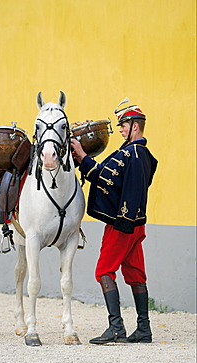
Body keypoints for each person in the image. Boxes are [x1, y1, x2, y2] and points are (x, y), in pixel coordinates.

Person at [71, 98, 158, 344]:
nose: (120, 129)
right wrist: (84, 161)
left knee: (104, 271)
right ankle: (144, 329)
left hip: (124, 223)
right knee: (136, 274)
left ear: (136, 127)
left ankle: (116, 327)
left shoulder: (133, 152)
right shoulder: (139, 153)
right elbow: (112, 180)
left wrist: (82, 157)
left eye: (124, 124)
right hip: (135, 222)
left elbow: (116, 183)